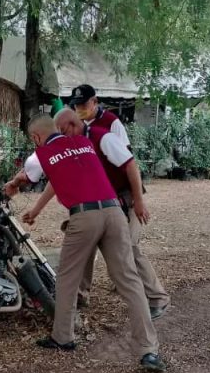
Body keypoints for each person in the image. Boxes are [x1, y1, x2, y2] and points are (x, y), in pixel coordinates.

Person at [4, 114, 165, 373]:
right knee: (129, 280)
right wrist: (36, 209)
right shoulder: (84, 143)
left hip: (84, 217)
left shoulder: (41, 154)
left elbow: (27, 176)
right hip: (114, 213)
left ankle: (63, 337)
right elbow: (60, 174)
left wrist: (13, 185)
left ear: (36, 137)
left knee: (68, 277)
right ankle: (149, 351)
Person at [54, 108, 170, 319]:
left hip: (126, 199)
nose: (62, 137)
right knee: (84, 243)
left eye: (63, 131)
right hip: (101, 204)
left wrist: (138, 201)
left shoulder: (103, 137)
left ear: (72, 125)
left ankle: (158, 298)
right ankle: (80, 295)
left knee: (129, 247)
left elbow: (131, 166)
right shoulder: (74, 145)